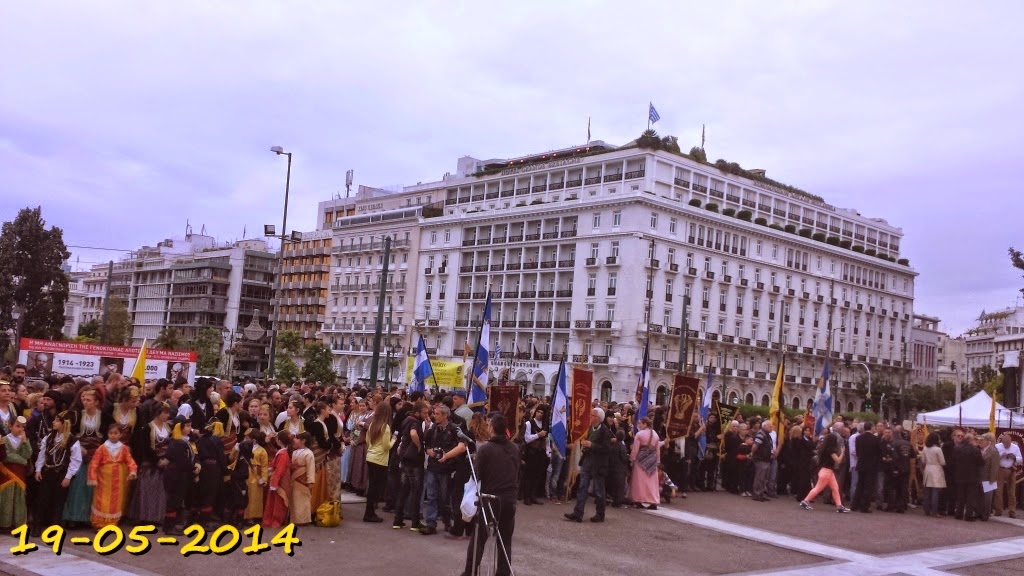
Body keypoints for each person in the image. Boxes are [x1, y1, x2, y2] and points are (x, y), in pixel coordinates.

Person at [460, 413, 520, 576]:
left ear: (492, 428)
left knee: (479, 539)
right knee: (505, 539)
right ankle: (503, 572)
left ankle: (470, 571)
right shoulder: (514, 448)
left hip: (490, 499)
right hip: (509, 499)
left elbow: (477, 475)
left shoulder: (486, 449)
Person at [34, 411, 82, 534]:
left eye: (56, 420)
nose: (53, 422)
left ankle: (54, 528)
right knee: (42, 499)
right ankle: (37, 526)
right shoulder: (49, 437)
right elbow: (42, 454)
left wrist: (68, 477)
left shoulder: (72, 440)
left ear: (64, 423)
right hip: (48, 471)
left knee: (59, 501)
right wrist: (38, 469)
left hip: (61, 473)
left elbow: (75, 460)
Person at [421, 404, 467, 535]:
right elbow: (427, 444)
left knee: (444, 497)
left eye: (437, 414)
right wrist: (429, 451)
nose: (434, 416)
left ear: (445, 415)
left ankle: (447, 521)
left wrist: (447, 456)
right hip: (433, 466)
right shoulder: (433, 428)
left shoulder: (454, 429)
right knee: (431, 496)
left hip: (447, 468)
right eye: (434, 413)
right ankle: (431, 523)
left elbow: (461, 447)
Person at [564, 407, 612, 523]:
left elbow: (607, 449)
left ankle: (600, 514)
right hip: (587, 462)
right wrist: (585, 446)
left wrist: (592, 445)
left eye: (592, 415)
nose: (590, 417)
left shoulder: (605, 431)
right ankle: (578, 513)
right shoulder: (591, 428)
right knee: (582, 488)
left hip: (598, 465)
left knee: (599, 491)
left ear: (599, 418)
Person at [87, 422, 138, 528]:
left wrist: (132, 471)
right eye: (111, 433)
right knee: (101, 500)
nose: (113, 435)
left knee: (115, 502)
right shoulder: (102, 448)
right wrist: (93, 477)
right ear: (107, 434)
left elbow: (130, 461)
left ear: (120, 435)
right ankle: (99, 523)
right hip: (103, 479)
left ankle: (112, 524)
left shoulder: (123, 448)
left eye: (115, 433)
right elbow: (94, 463)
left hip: (118, 480)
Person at [393, 400, 428, 531]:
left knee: (404, 489)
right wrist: (419, 446)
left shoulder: (407, 420)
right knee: (416, 491)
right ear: (418, 412)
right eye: (424, 412)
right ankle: (415, 522)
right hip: (414, 460)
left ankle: (398, 519)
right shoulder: (415, 422)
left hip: (405, 458)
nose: (426, 415)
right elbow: (413, 434)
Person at [798, 430, 851, 513]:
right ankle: (805, 501)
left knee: (835, 488)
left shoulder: (825, 449)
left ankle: (839, 506)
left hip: (827, 472)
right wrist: (842, 452)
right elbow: (838, 461)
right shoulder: (831, 450)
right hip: (827, 472)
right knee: (818, 488)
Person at [163, 416, 197, 535]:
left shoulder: (184, 441)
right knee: (174, 500)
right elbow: (182, 461)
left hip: (183, 475)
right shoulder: (177, 442)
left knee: (179, 500)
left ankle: (177, 523)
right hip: (176, 476)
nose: (189, 428)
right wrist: (193, 468)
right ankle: (169, 526)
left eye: (189, 426)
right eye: (187, 426)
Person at [363, 401, 394, 523]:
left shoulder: (372, 425)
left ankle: (369, 511)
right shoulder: (385, 427)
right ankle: (370, 513)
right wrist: (394, 440)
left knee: (372, 485)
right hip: (380, 459)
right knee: (376, 487)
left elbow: (367, 440)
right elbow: (386, 446)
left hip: (370, 456)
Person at [0, 416, 31, 530]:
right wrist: (23, 461)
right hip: (7, 473)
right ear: (10, 426)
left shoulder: (24, 440)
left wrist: (24, 442)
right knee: (6, 497)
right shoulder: (4, 439)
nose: (20, 429)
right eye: (17, 426)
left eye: (23, 427)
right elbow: (6, 456)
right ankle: (4, 523)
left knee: (19, 498)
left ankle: (17, 523)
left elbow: (27, 454)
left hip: (20, 473)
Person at [521, 404, 550, 506]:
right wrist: (538, 435)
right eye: (538, 412)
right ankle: (526, 496)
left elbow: (546, 440)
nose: (540, 414)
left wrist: (548, 451)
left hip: (541, 452)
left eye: (542, 413)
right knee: (529, 475)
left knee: (537, 475)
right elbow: (527, 438)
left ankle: (533, 496)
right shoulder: (529, 423)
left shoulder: (545, 424)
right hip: (531, 452)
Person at [630, 417, 661, 510]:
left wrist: (632, 459)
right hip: (652, 460)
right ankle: (653, 501)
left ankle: (639, 499)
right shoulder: (655, 434)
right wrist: (658, 461)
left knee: (639, 481)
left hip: (641, 460)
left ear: (645, 424)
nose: (638, 425)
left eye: (640, 423)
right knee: (652, 482)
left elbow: (635, 449)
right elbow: (657, 449)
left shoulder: (639, 434)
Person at [263, 431, 292, 529]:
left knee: (278, 501)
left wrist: (274, 482)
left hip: (281, 480)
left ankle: (276, 520)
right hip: (279, 478)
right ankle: (272, 519)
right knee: (275, 500)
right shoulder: (283, 453)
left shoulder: (282, 454)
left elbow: (279, 470)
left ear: (279, 441)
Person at [853, 421, 881, 513]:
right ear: (872, 428)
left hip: (861, 464)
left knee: (860, 485)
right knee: (868, 487)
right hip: (871, 466)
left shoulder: (858, 438)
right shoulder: (876, 439)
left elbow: (857, 452)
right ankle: (864, 506)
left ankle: (855, 504)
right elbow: (879, 453)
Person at [244, 429, 269, 525]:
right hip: (244, 472)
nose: (244, 439)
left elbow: (264, 466)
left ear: (253, 440)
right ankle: (243, 514)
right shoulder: (243, 447)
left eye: (247, 438)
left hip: (255, 474)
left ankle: (253, 516)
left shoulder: (261, 451)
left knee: (254, 495)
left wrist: (264, 478)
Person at [290, 431, 315, 526]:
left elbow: (311, 468)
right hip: (294, 478)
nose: (294, 440)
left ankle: (304, 519)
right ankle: (295, 518)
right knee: (295, 499)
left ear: (303, 441)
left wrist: (310, 480)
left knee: (303, 499)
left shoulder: (309, 453)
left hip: (303, 478)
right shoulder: (295, 452)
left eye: (297, 438)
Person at [994, 433, 1022, 518]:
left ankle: (1012, 511)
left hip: (1011, 469)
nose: (1006, 446)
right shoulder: (997, 446)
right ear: (1002, 442)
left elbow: (1020, 459)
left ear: (1011, 441)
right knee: (999, 491)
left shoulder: (1015, 447)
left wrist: (1014, 457)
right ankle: (999, 510)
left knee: (1012, 492)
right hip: (1000, 469)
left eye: (1008, 444)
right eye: (1005, 444)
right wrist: (1001, 456)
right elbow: (993, 459)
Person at [920, 432, 946, 517]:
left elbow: (923, 460)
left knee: (927, 491)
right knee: (935, 492)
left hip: (928, 469)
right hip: (936, 469)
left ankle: (926, 510)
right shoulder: (938, 449)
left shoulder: (925, 448)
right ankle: (934, 511)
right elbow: (942, 462)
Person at [750, 421, 774, 502]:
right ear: (764, 426)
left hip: (766, 459)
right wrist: (752, 453)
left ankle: (761, 493)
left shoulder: (767, 435)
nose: (772, 427)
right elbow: (755, 445)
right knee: (760, 477)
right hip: (761, 459)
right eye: (770, 426)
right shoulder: (761, 434)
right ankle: (756, 494)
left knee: (764, 478)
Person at [979, 433, 1000, 521]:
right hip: (980, 477)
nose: (980, 442)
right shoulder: (982, 450)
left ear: (988, 442)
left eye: (982, 440)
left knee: (988, 498)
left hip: (988, 478)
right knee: (981, 497)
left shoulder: (993, 451)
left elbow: (995, 466)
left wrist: (992, 479)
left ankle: (986, 515)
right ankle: (980, 512)